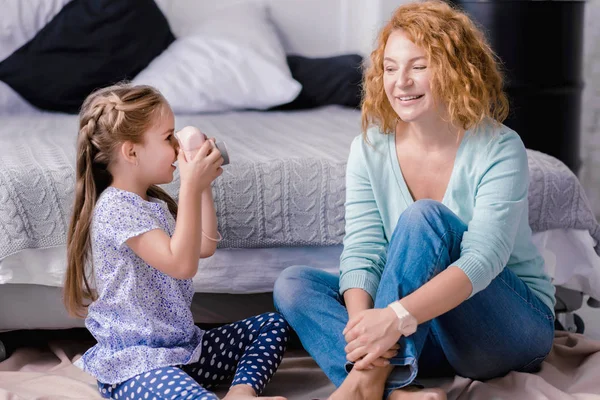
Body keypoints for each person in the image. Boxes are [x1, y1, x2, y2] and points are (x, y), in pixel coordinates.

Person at [273, 1, 556, 399]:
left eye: (418, 66)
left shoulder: (500, 147)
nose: (400, 82)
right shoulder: (368, 148)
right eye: (390, 68)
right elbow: (365, 250)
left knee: (424, 218)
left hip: (506, 329)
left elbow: (483, 260)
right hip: (423, 335)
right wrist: (369, 334)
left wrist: (394, 316)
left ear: (458, 70)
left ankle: (366, 385)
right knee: (294, 284)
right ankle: (393, 390)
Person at [64, 83, 290, 400]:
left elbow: (202, 246)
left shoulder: (153, 205)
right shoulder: (115, 209)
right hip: (138, 364)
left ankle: (241, 394)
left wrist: (201, 186)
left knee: (272, 325)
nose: (175, 145)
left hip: (183, 351)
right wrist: (189, 186)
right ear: (131, 152)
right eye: (167, 137)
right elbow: (181, 266)